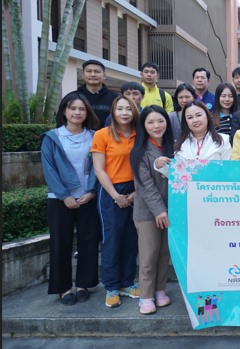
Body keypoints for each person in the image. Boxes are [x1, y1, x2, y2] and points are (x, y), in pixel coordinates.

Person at [41, 93, 101, 306]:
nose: (77, 112)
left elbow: (99, 166)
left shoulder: (95, 136)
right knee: (61, 243)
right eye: (72, 108)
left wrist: (92, 191)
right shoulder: (52, 137)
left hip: (88, 197)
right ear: (64, 111)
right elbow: (49, 170)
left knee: (88, 241)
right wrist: (64, 196)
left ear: (87, 113)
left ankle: (83, 284)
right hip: (59, 200)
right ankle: (63, 287)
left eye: (81, 109)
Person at [91, 96, 140, 308]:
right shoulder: (102, 135)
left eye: (128, 109)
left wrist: (136, 193)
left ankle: (127, 283)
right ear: (113, 112)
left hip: (136, 189)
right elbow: (99, 169)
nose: (124, 113)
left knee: (131, 238)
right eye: (119, 109)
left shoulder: (140, 134)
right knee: (112, 239)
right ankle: (111, 287)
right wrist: (116, 196)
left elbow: (143, 164)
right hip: (111, 190)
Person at [130, 105, 175, 315]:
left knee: (164, 254)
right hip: (148, 213)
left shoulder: (172, 147)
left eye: (160, 121)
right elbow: (145, 185)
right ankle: (146, 296)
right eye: (150, 122)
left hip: (170, 210)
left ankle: (160, 290)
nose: (156, 126)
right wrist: (159, 210)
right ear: (143, 126)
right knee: (149, 256)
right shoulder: (139, 151)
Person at [155, 100, 231, 175]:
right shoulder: (180, 143)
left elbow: (228, 171)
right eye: (190, 117)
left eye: (198, 115)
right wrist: (161, 167)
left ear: (207, 117)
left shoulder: (223, 140)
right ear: (185, 121)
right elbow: (177, 176)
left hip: (214, 186)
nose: (195, 120)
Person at [67, 59, 119, 128]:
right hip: (79, 137)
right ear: (82, 75)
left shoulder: (115, 98)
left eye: (97, 72)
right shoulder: (72, 97)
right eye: (89, 71)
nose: (93, 74)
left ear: (104, 76)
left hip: (107, 137)